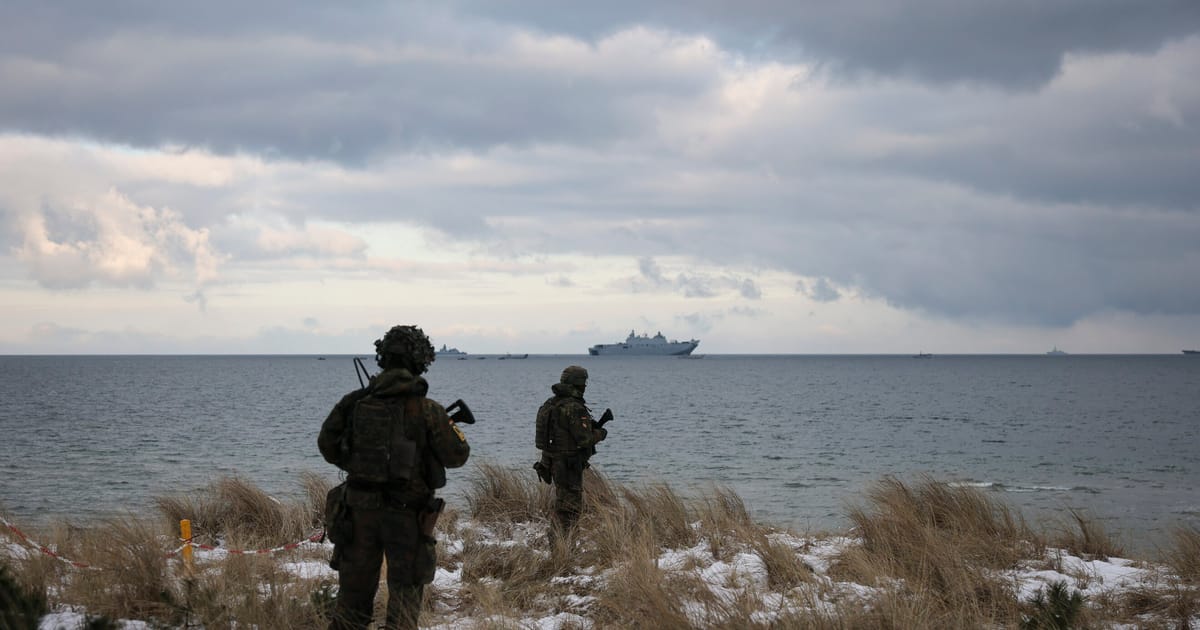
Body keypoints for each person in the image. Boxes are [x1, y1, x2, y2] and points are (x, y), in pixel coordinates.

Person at [318, 325, 470, 630]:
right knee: (403, 610)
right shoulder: (427, 410)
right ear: (421, 361)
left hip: (357, 514)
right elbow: (457, 456)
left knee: (351, 608)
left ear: (383, 357)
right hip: (407, 518)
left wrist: (359, 461)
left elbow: (328, 446)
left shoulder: (354, 403)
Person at [534, 365, 610, 538]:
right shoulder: (574, 407)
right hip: (568, 465)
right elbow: (584, 440)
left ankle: (561, 544)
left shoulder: (550, 404)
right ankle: (564, 547)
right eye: (584, 383)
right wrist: (600, 433)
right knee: (570, 510)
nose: (585, 387)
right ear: (578, 384)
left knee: (562, 505)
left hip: (550, 461)